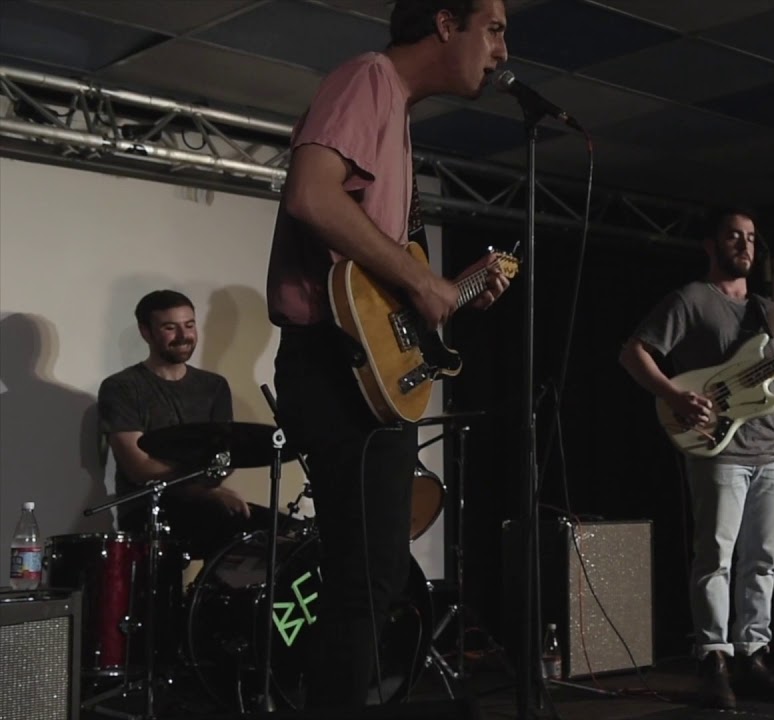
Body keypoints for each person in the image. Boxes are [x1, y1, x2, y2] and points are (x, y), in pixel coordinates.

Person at [265, 0, 510, 709]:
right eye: (494, 30)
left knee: (369, 579)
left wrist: (452, 291)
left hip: (358, 365)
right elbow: (311, 195)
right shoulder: (368, 78)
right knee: (365, 582)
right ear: (445, 23)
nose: (502, 53)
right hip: (333, 366)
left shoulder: (394, 111)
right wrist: (422, 281)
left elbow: (378, 277)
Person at [618, 208, 774, 709]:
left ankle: (753, 656)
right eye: (733, 236)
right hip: (718, 447)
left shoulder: (772, 314)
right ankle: (713, 660)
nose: (745, 245)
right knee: (715, 557)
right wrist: (674, 395)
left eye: (750, 237)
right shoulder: (691, 299)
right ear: (710, 244)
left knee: (762, 560)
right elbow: (633, 352)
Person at [98, 289, 264, 558]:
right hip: (148, 511)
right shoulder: (122, 387)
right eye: (170, 327)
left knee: (278, 535)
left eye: (189, 325)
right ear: (145, 332)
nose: (183, 335)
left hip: (207, 504)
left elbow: (224, 458)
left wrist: (209, 485)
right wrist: (205, 489)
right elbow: (139, 468)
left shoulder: (214, 386)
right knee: (233, 529)